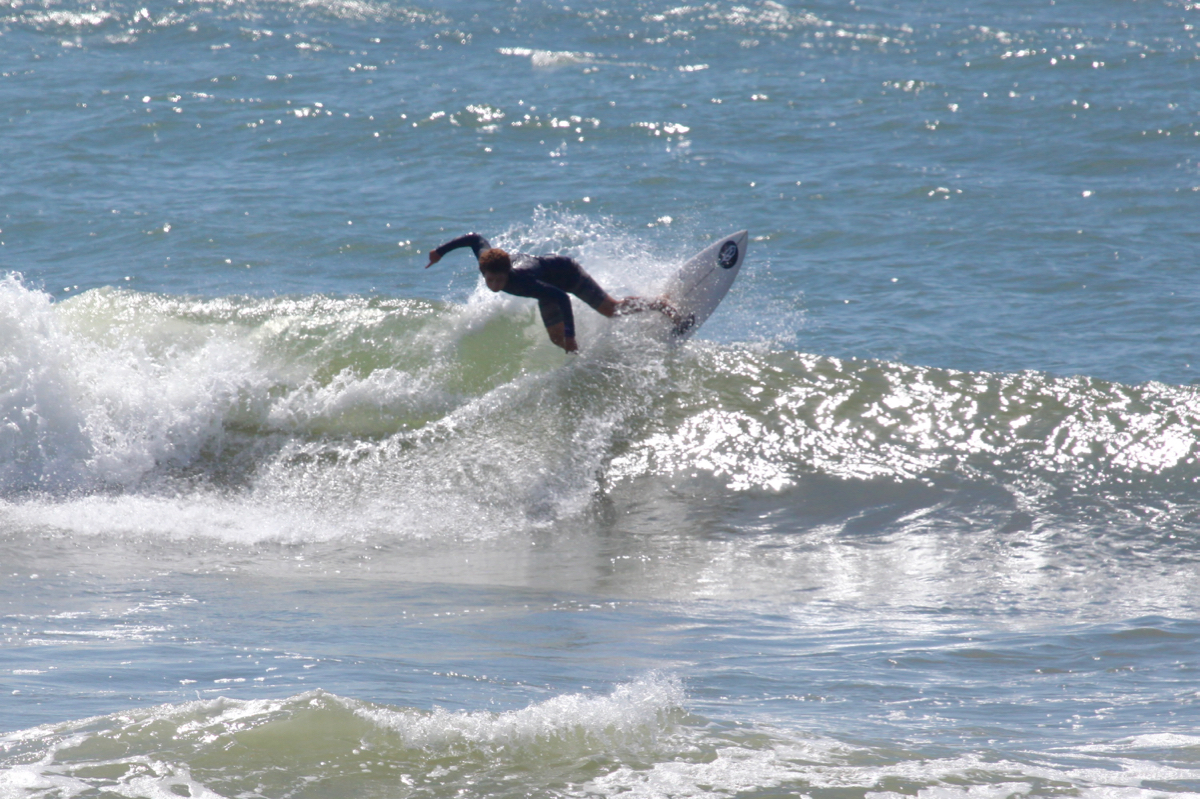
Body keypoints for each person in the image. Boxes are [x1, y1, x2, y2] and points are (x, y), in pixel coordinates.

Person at [425, 233, 683, 351]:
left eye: (499, 280)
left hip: (567, 274)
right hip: (545, 288)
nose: (493, 285)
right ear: (483, 271)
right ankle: (587, 360)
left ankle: (660, 304)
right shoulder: (488, 260)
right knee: (556, 339)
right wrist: (439, 252)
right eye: (489, 280)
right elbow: (474, 238)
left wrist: (572, 334)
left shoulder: (523, 280)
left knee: (610, 310)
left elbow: (562, 297)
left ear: (508, 273)